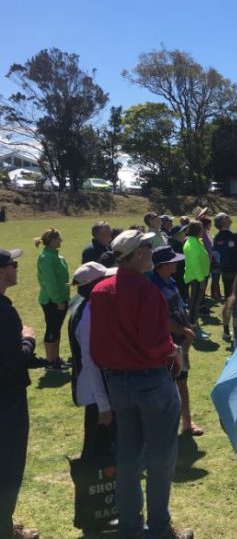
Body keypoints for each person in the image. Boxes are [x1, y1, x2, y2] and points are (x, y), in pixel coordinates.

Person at [89, 229, 193, 539]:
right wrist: (172, 351)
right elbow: (153, 343)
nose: (152, 252)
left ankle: (131, 528)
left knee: (128, 458)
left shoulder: (100, 291)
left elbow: (96, 348)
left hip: (118, 383)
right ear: (137, 254)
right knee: (161, 458)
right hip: (151, 381)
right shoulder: (148, 292)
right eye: (148, 247)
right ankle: (159, 528)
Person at [0, 247, 41, 539]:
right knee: (9, 464)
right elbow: (15, 359)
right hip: (8, 398)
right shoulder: (5, 312)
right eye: (12, 264)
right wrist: (27, 340)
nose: (16, 268)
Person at [151, 246, 203, 437]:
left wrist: (187, 324)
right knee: (169, 384)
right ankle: (170, 425)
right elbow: (161, 319)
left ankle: (187, 423)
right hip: (169, 344)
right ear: (163, 265)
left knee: (182, 381)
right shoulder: (155, 288)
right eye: (173, 261)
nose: (177, 263)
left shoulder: (170, 280)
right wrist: (183, 330)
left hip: (181, 341)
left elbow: (179, 306)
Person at [68, 262, 117, 461]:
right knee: (99, 452)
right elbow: (91, 362)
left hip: (97, 390)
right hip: (97, 392)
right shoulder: (89, 314)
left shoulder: (84, 305)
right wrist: (104, 406)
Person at [34, 228, 70, 371]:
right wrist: (57, 300)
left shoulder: (56, 257)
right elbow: (50, 282)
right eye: (58, 238)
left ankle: (56, 358)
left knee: (56, 329)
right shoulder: (46, 258)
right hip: (52, 301)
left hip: (60, 299)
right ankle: (50, 362)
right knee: (52, 328)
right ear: (52, 241)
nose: (61, 241)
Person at [183, 220, 210, 338]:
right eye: (201, 228)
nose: (203, 231)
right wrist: (201, 279)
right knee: (194, 303)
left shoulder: (194, 241)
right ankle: (194, 328)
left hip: (197, 277)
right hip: (196, 278)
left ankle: (194, 325)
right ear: (196, 230)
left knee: (195, 302)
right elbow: (195, 264)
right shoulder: (193, 244)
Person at [214, 212, 237, 298]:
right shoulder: (234, 236)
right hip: (236, 268)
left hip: (224, 268)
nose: (229, 217)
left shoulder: (216, 237)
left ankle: (228, 309)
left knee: (228, 293)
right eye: (227, 217)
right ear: (223, 222)